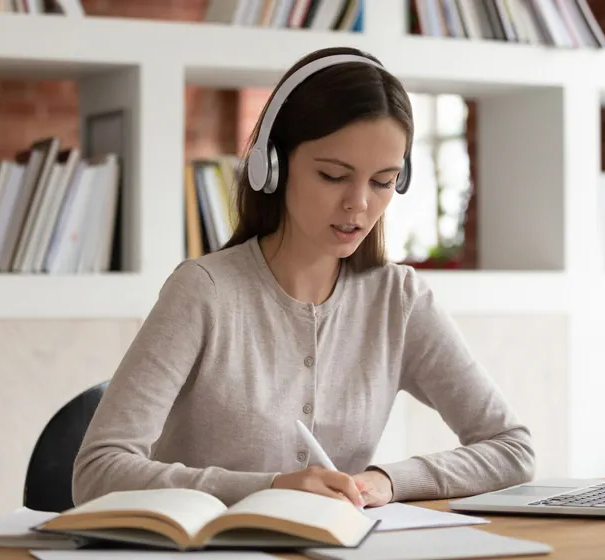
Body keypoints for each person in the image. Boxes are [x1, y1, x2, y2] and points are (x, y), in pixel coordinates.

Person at [72, 46, 535, 510]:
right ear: (272, 166)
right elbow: (98, 471)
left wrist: (387, 481)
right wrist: (267, 488)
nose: (359, 204)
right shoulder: (204, 291)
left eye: (382, 181)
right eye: (334, 176)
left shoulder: (398, 300)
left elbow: (512, 448)